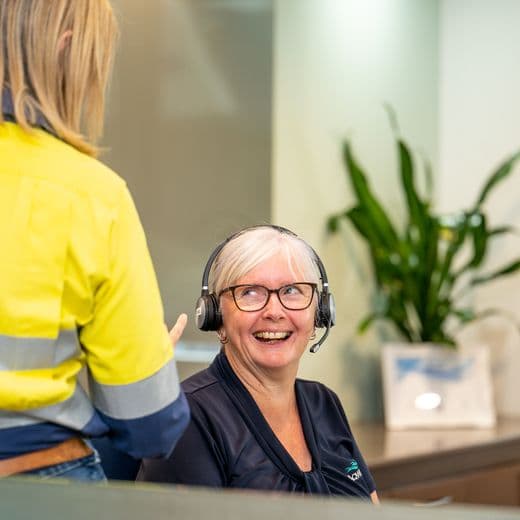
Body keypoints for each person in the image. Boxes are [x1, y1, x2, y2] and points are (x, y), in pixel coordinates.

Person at [0, 0, 189, 481]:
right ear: (65, 50)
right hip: (37, 481)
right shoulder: (90, 195)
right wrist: (151, 365)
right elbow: (151, 426)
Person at [139, 226, 379, 502]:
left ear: (320, 313)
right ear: (216, 317)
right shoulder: (189, 418)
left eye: (291, 291)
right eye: (250, 293)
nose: (274, 312)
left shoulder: (323, 402)